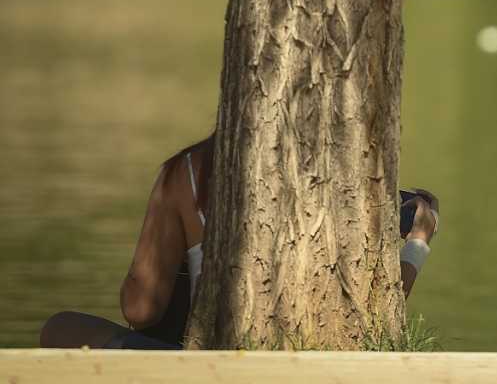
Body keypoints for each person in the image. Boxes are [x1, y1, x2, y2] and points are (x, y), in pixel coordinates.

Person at [39, 134, 440, 349]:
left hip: (211, 364)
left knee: (61, 327)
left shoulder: (194, 169)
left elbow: (139, 309)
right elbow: (372, 315)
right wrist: (418, 242)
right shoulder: (362, 184)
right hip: (321, 363)